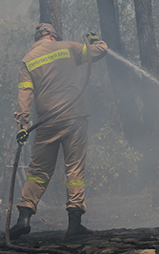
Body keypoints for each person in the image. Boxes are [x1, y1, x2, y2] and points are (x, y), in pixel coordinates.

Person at [9, 23, 108, 239]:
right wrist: (94, 41)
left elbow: (24, 96)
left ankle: (24, 218)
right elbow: (100, 51)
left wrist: (22, 127)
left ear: (37, 40)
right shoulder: (68, 47)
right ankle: (74, 223)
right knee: (74, 170)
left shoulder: (27, 60)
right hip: (74, 116)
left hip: (46, 122)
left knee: (38, 171)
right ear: (53, 36)